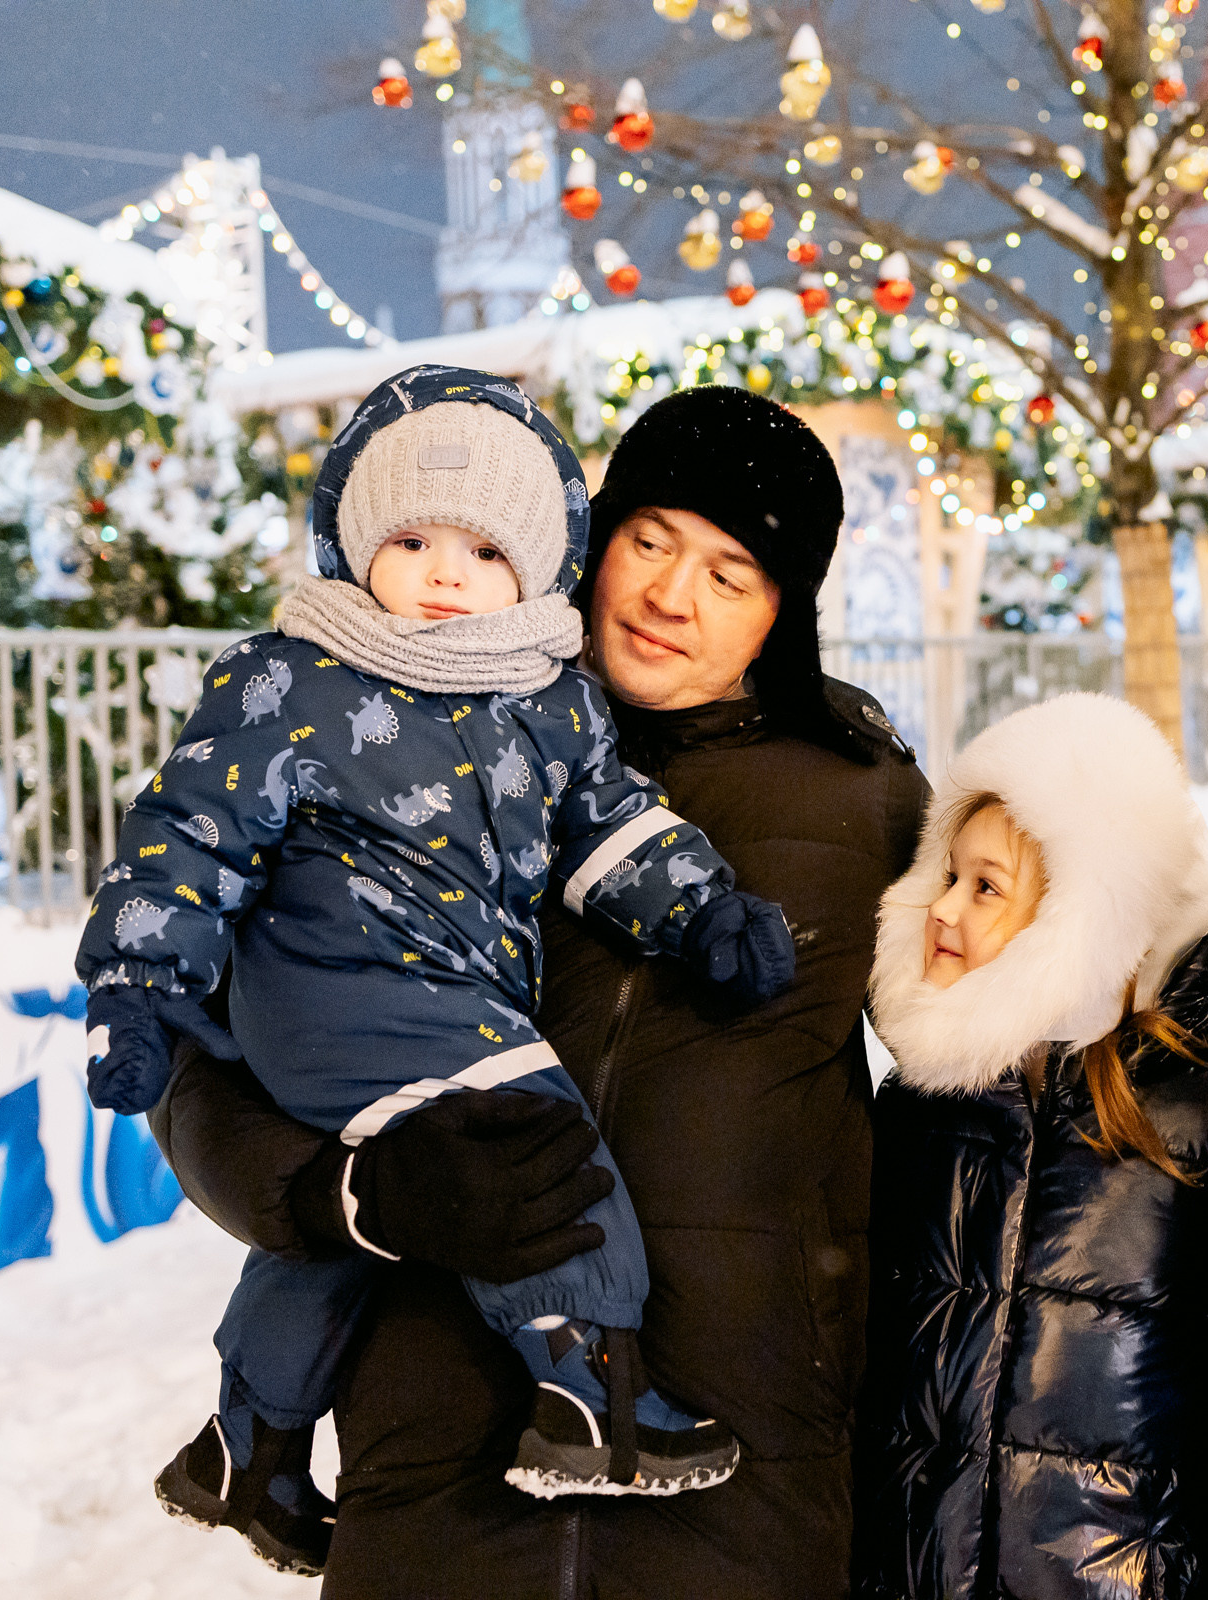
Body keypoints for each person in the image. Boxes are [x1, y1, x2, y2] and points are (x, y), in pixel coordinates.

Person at [148, 382, 932, 1600]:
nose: (673, 596)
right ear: (588, 537)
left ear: (786, 613)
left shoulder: (864, 798)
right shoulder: (376, 736)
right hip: (440, 1471)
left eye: (732, 575)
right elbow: (202, 1061)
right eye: (652, 542)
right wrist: (346, 1195)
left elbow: (997, 1073)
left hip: (745, 1484)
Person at [857, 692, 1208, 1599]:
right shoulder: (927, 1104)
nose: (943, 911)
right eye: (947, 876)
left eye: (986, 887)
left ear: (1085, 920)